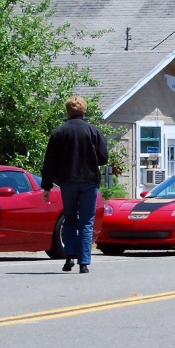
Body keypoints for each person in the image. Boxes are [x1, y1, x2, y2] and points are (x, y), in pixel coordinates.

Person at [40, 95, 109, 274]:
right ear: (84, 111)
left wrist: (47, 186)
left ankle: (69, 256)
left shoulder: (59, 132)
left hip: (67, 181)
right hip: (89, 181)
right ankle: (84, 262)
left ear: (67, 111)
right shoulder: (93, 131)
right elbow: (103, 158)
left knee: (70, 219)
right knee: (86, 222)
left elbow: (49, 162)